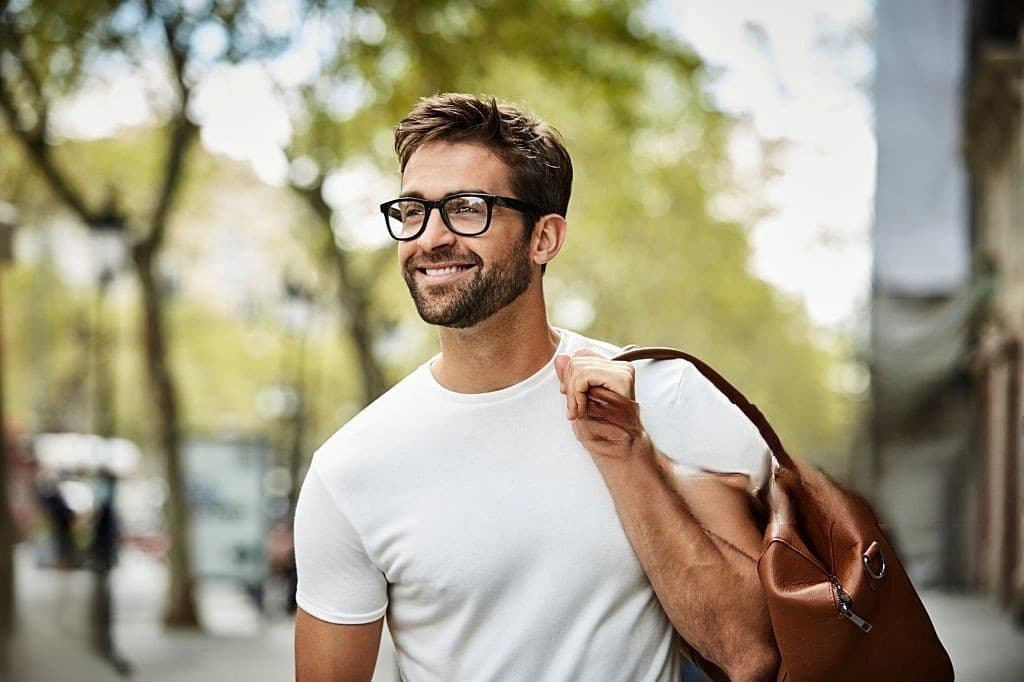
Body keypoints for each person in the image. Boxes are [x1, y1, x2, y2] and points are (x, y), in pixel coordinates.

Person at [293, 93, 779, 681]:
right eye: (412, 210)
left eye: (467, 208)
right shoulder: (351, 468)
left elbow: (751, 652)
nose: (430, 238)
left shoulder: (665, 394)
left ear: (544, 238)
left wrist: (633, 459)